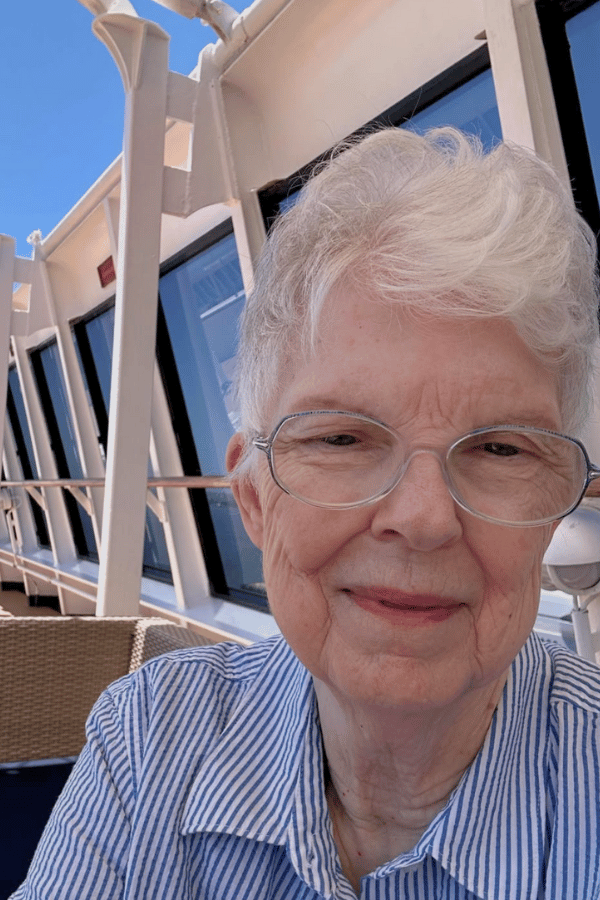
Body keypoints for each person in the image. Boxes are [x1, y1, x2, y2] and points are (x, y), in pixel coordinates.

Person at [12, 127, 600, 899]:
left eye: (499, 450)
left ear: (553, 506)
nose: (423, 519)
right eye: (344, 437)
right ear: (255, 500)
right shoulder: (151, 735)